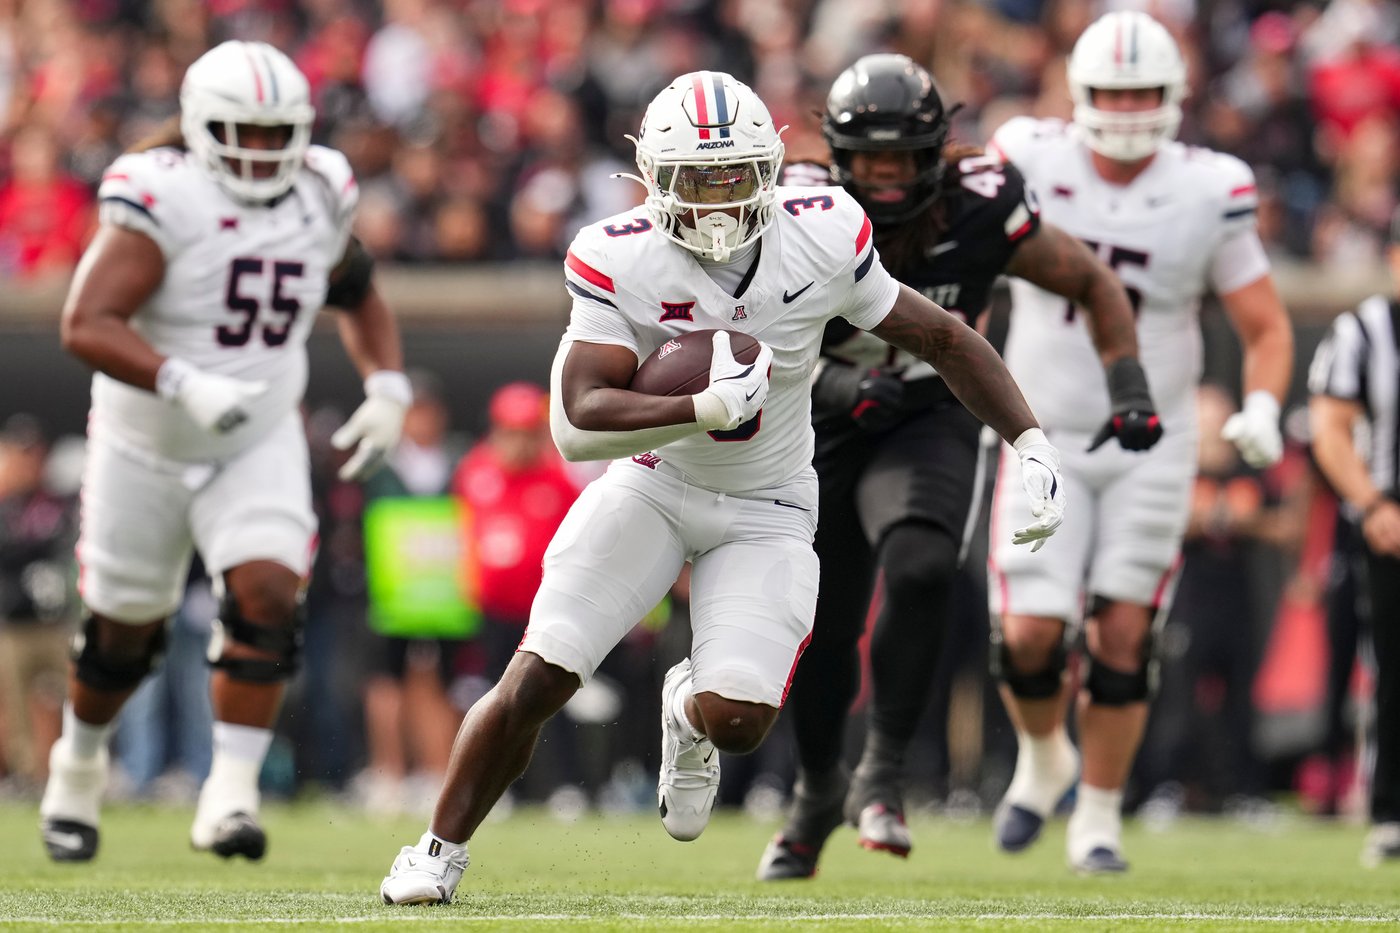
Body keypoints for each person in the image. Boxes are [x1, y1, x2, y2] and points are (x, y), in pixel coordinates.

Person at [379, 69, 1067, 906]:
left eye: (732, 174)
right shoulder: (616, 252)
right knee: (542, 672)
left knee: (739, 721)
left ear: (771, 170)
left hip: (768, 504)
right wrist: (697, 405)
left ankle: (689, 714)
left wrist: (1029, 439)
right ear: (654, 178)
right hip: (654, 484)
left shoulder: (823, 235)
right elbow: (577, 418)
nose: (713, 199)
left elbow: (943, 336)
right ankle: (435, 851)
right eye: (694, 178)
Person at [757, 53, 1157, 880]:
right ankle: (818, 787)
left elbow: (1094, 282)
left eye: (906, 156)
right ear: (836, 155)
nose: (889, 176)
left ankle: (885, 771)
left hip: (930, 412)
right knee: (822, 623)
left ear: (939, 150)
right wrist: (836, 381)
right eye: (870, 159)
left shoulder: (982, 204)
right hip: (818, 421)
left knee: (924, 560)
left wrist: (1129, 387)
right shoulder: (792, 207)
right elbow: (741, 329)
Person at [39, 40, 411, 863]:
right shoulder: (162, 195)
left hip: (256, 436)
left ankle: (229, 794)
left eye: (280, 134)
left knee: (272, 595)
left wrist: (386, 382)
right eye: (245, 132)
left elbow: (356, 289)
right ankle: (78, 765)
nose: (264, 152)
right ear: (202, 129)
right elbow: (85, 321)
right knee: (120, 636)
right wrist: (180, 380)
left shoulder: (319, 192)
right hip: (145, 440)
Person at [984, 10, 1294, 873]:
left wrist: (1264, 405)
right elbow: (966, 260)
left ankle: (1100, 817)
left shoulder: (1210, 187)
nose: (1124, 110)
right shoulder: (1029, 157)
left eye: (1141, 93)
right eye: (1110, 92)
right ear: (1078, 95)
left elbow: (1265, 326)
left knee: (1124, 631)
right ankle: (1045, 756)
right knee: (1032, 631)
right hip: (1038, 429)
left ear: (1175, 96)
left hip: (1152, 439)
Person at [1309, 205, 1400, 867]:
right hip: (1391, 515)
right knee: (1393, 666)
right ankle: (1391, 809)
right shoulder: (1365, 330)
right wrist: (1371, 502)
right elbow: (1330, 426)